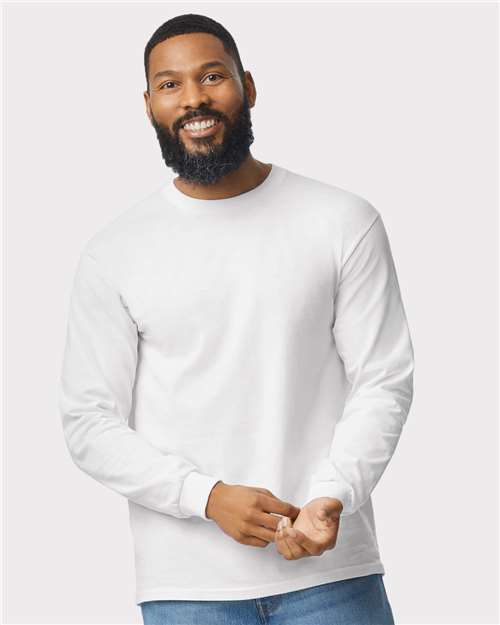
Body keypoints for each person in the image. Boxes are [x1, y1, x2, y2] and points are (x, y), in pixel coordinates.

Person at [58, 12, 414, 625]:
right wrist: (208, 498)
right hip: (187, 588)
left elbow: (384, 380)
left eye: (212, 76)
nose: (193, 99)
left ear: (247, 86)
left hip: (332, 576)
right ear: (148, 105)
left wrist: (333, 495)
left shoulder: (341, 221)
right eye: (169, 84)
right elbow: (88, 422)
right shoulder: (114, 252)